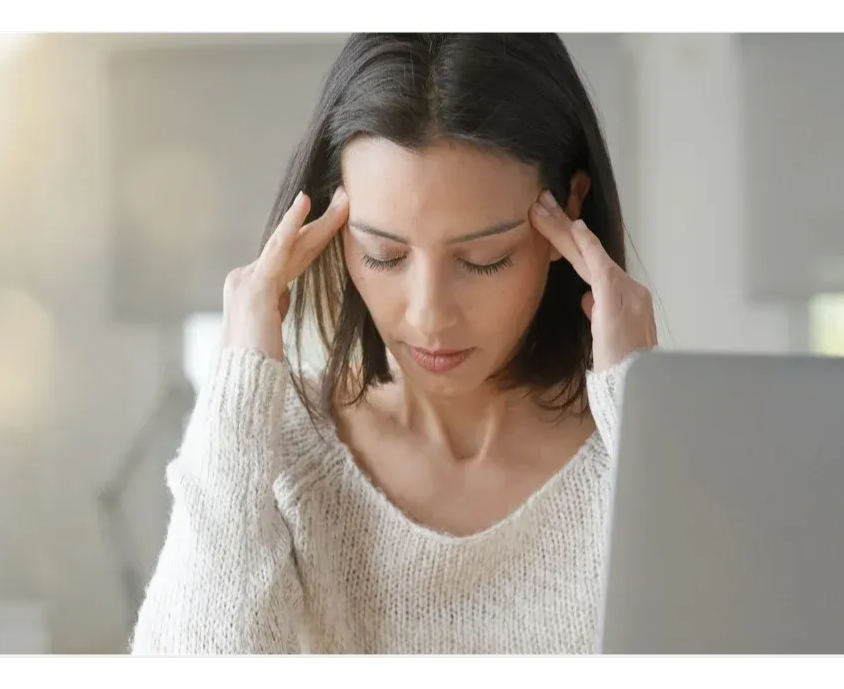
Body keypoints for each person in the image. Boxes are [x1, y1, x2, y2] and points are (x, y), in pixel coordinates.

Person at [129, 32, 656, 655]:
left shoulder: (627, 450)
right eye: (384, 255)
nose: (429, 315)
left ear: (569, 206)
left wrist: (646, 410)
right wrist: (240, 385)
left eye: (484, 260)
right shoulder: (281, 447)